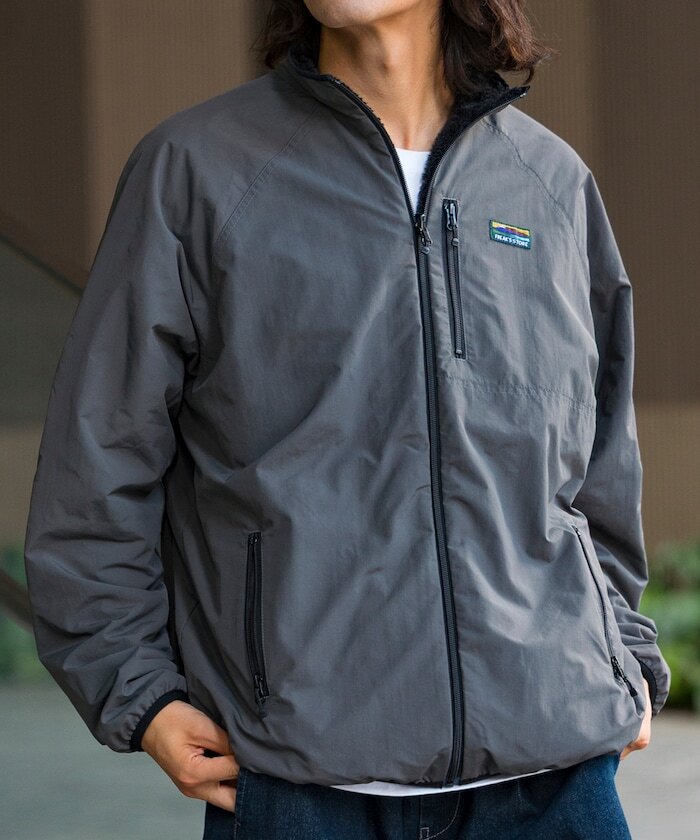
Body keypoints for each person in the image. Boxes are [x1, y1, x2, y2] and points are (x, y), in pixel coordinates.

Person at [23, 1, 671, 837]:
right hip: (300, 786)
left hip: (554, 784)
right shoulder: (196, 172)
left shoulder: (551, 185)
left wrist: (623, 654)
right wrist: (139, 694)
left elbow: (600, 467)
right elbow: (96, 467)